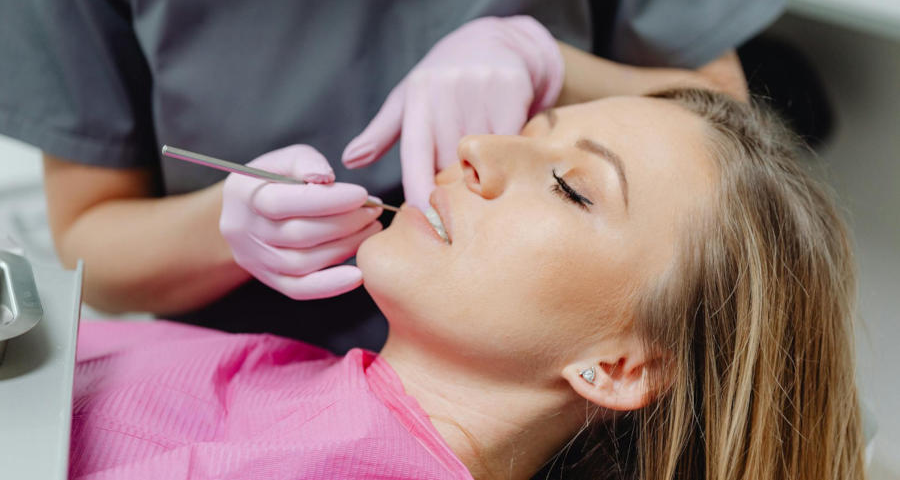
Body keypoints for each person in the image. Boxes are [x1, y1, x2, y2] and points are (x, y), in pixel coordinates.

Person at [68, 89, 864, 479]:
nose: (480, 145)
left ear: (618, 364)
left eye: (571, 187)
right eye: (526, 130)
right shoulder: (338, 399)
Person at [0, 0, 785, 353]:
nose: (467, 154)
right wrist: (217, 228)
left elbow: (729, 140)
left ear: (616, 366)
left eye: (570, 177)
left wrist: (550, 66)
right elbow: (89, 240)